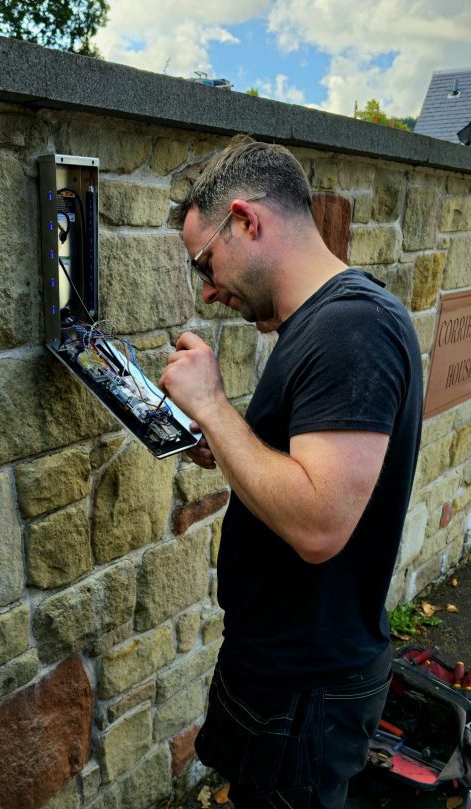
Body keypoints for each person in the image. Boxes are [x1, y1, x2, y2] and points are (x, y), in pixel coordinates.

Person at [158, 136, 423, 809]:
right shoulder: (317, 324)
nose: (209, 288)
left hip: (306, 692)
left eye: (206, 261)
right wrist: (227, 439)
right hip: (286, 678)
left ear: (247, 221)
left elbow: (318, 522)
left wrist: (214, 404)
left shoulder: (351, 329)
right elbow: (302, 470)